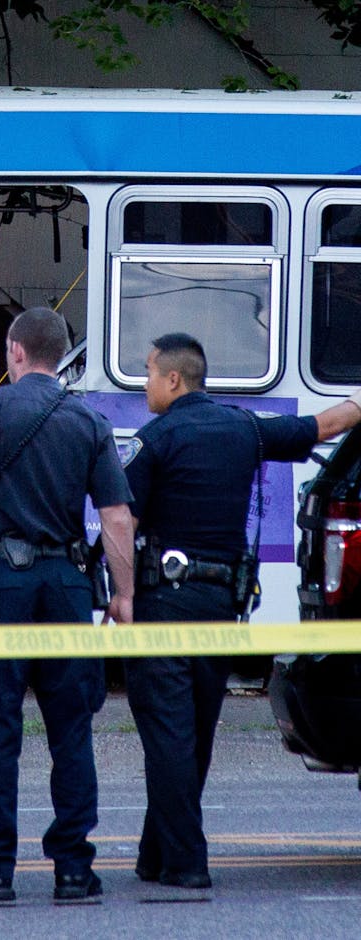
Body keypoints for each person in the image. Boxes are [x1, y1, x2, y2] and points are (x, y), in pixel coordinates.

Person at [120, 333, 361, 890]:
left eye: (150, 372)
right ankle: (155, 853)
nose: (146, 382)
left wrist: (123, 595)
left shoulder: (153, 440)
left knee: (167, 734)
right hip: (221, 607)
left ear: (174, 380)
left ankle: (185, 861)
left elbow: (123, 522)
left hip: (164, 604)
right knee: (194, 734)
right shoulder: (244, 428)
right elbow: (325, 427)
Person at [0, 306, 136, 903]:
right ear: (60, 354)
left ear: (15, 351)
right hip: (67, 583)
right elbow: (116, 516)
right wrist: (125, 597)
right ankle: (73, 868)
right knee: (71, 726)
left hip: (1, 587)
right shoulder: (87, 422)